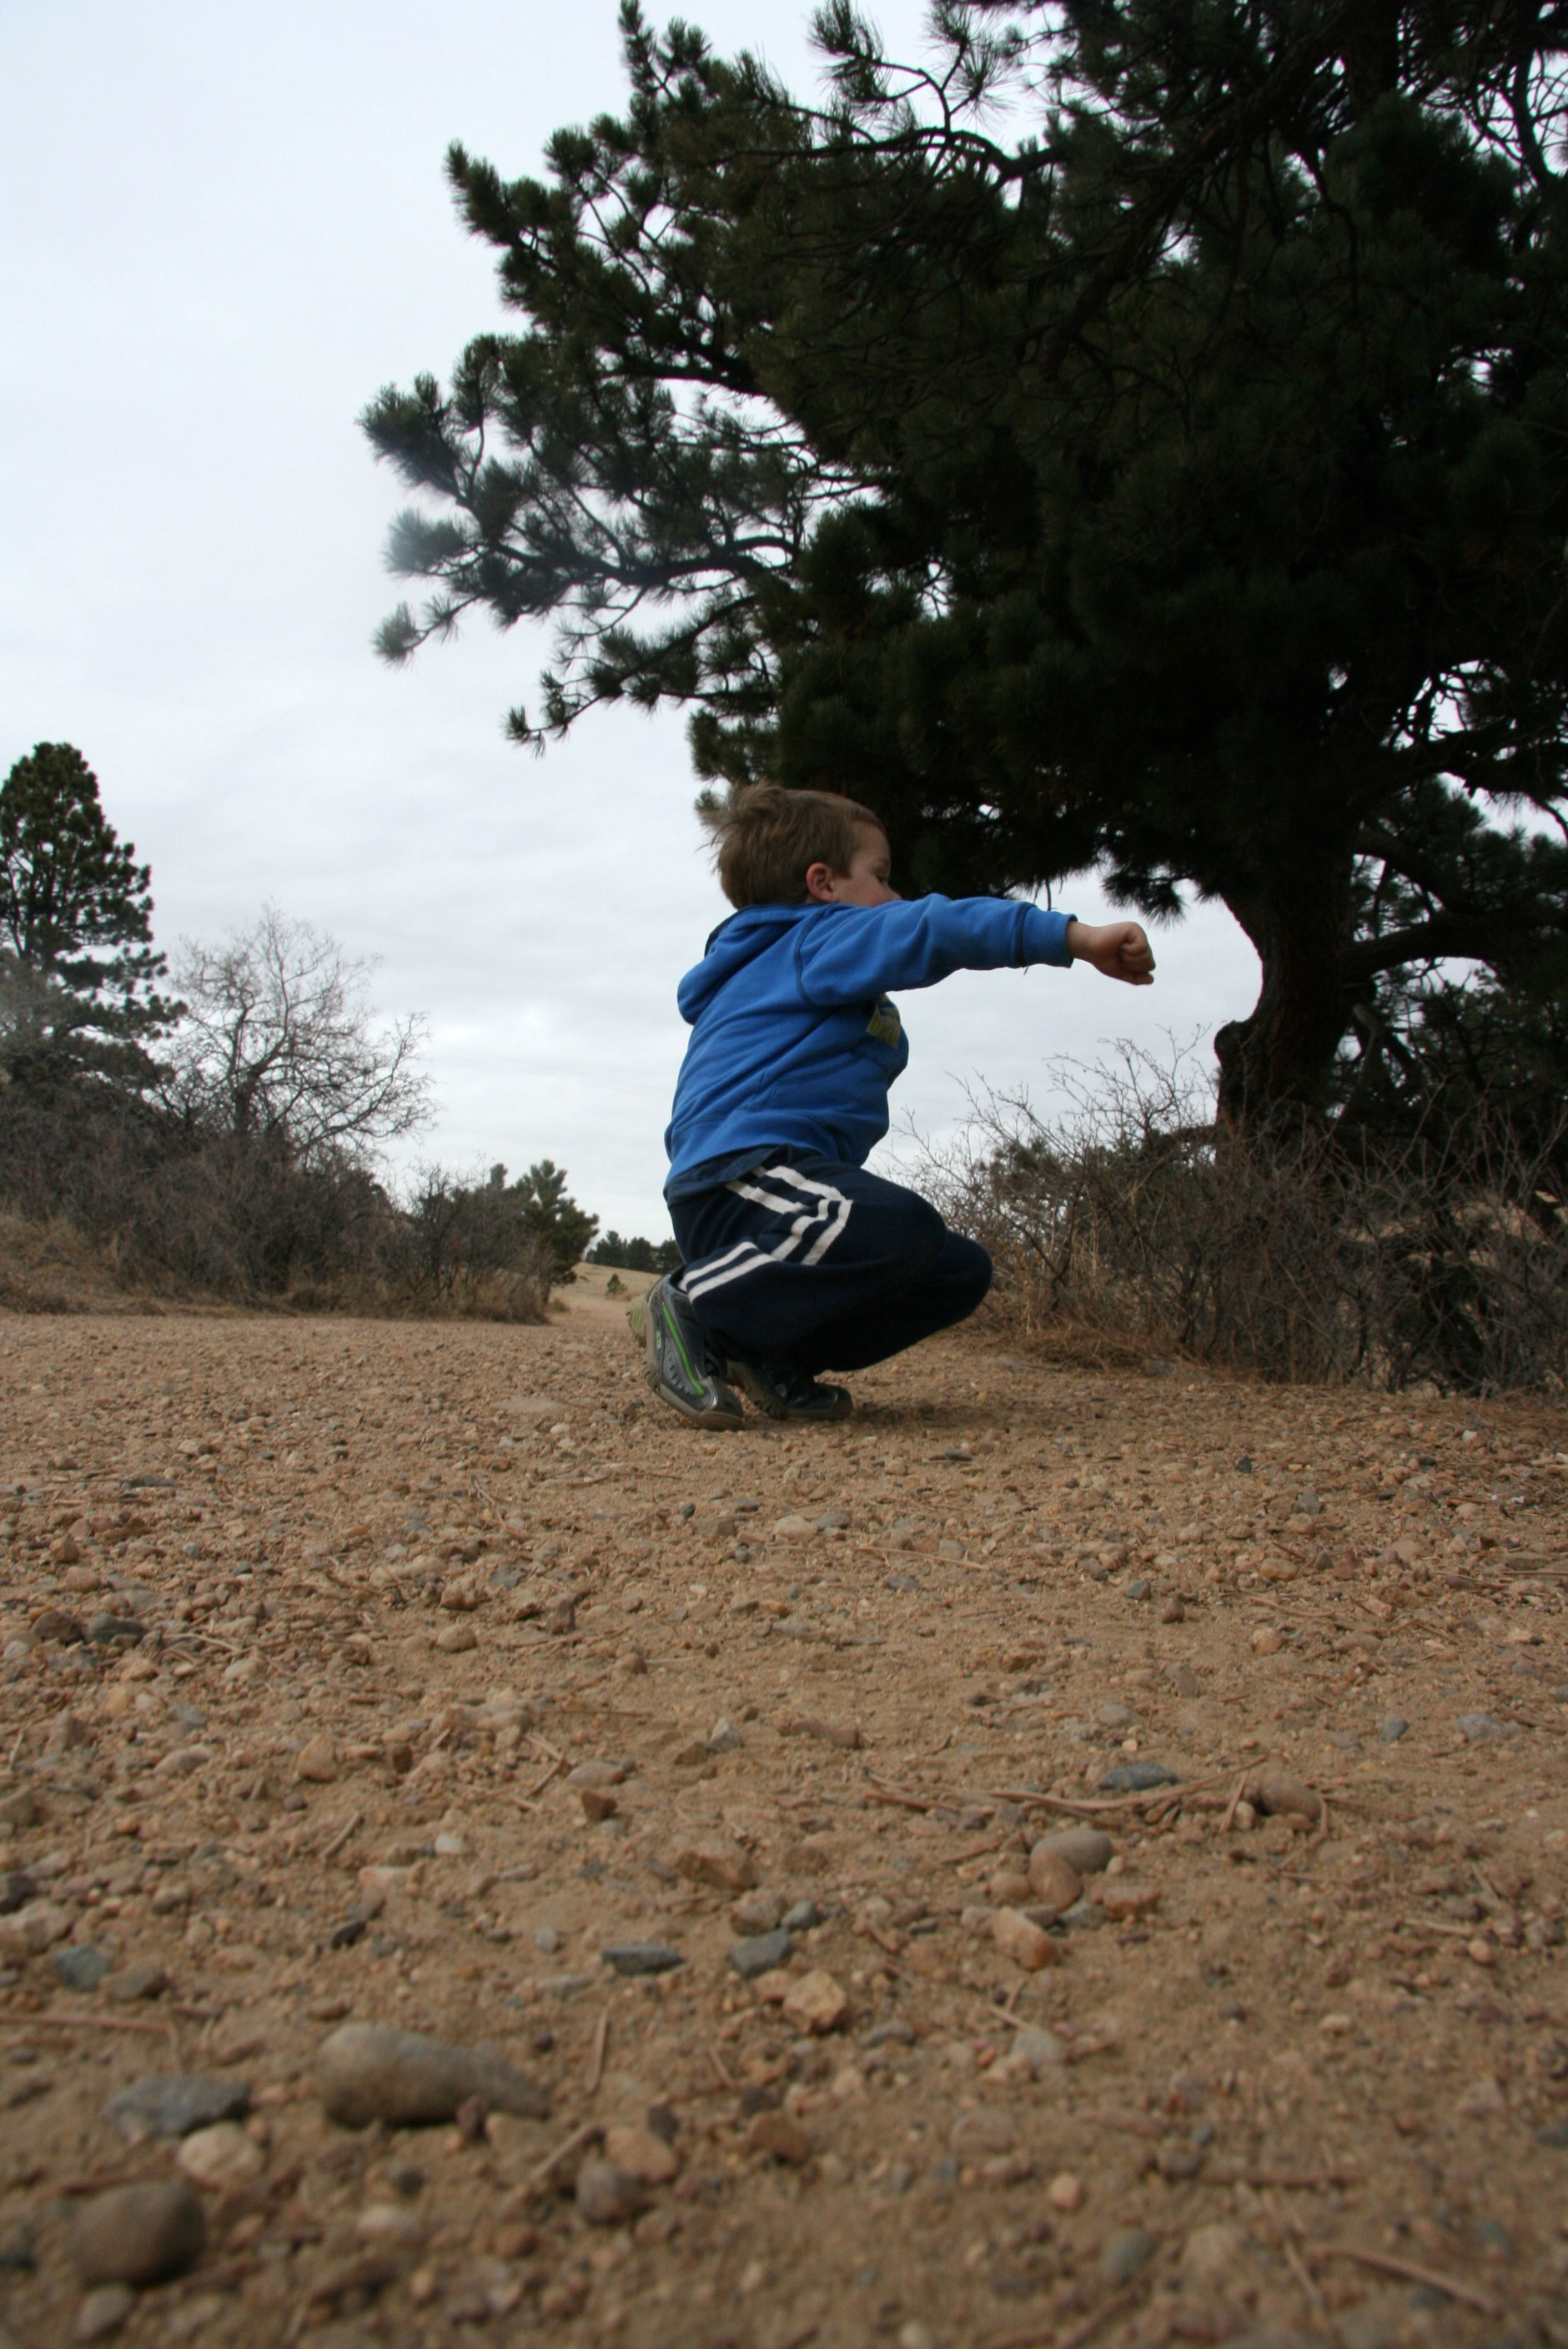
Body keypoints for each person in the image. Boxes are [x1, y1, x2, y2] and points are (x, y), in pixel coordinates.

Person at [633, 783, 1153, 1426]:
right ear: (823, 884)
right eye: (880, 876)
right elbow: (935, 928)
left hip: (774, 1199)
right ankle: (692, 1303)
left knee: (955, 1271)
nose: (896, 894)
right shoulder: (811, 939)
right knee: (898, 1225)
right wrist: (1073, 938)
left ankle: (764, 1350)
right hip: (742, 1175)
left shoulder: (805, 971)